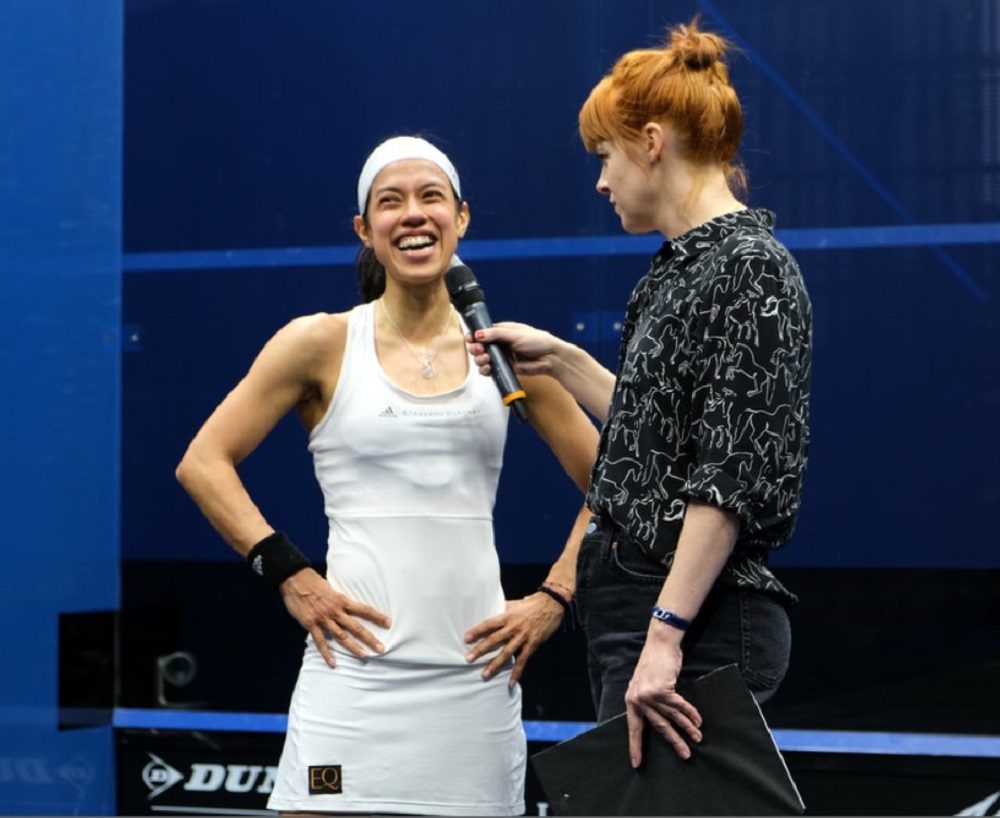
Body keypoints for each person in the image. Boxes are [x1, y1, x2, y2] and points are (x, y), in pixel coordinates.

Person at [175, 135, 598, 816]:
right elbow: (202, 463)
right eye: (390, 201)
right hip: (351, 688)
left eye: (431, 197)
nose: (412, 214)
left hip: (475, 688)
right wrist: (291, 576)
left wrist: (555, 597)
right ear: (364, 229)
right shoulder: (318, 342)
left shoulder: (510, 354)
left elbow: (616, 483)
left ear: (461, 218)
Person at [467, 17, 812, 769]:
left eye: (606, 155)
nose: (601, 180)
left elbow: (728, 477)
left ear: (651, 143)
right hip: (650, 612)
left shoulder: (751, 267)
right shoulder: (679, 268)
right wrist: (561, 361)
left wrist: (665, 635)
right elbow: (660, 429)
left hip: (693, 624)